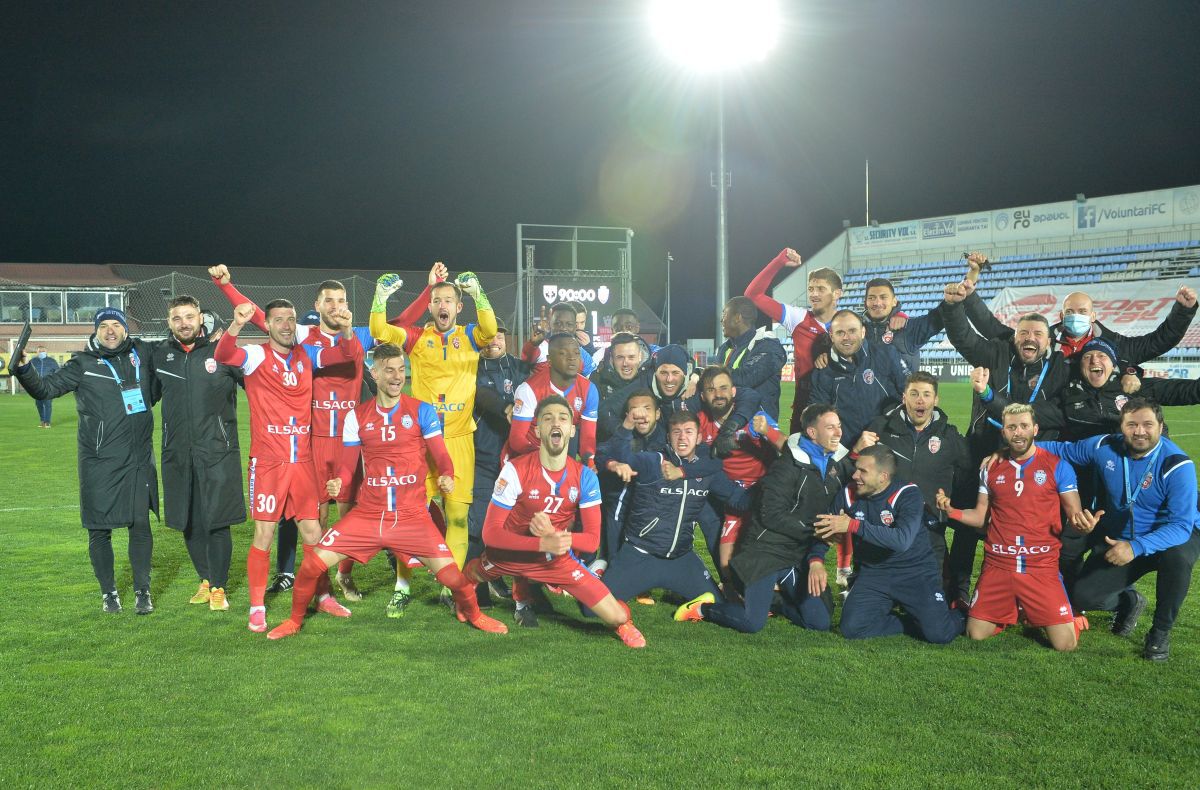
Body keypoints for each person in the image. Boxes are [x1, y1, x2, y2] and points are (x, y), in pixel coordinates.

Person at [266, 343, 507, 638]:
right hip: (369, 515)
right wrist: (339, 481)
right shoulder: (357, 416)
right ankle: (294, 621)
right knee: (311, 566)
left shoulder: (421, 411)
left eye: (401, 369)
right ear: (375, 373)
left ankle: (475, 615)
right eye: (389, 370)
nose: (396, 376)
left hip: (412, 517)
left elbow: (442, 457)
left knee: (455, 580)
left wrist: (446, 475)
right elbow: (346, 465)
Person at [209, 265, 379, 599]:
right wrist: (226, 286)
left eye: (340, 300)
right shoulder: (297, 337)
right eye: (328, 300)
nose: (334, 305)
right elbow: (260, 316)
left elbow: (359, 348)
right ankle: (284, 580)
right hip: (308, 442)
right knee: (306, 518)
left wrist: (364, 317)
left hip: (345, 441)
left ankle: (335, 581)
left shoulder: (336, 342)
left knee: (341, 515)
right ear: (317, 305)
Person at [464, 395, 647, 647]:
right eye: (547, 419)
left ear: (572, 430)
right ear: (538, 430)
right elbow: (491, 534)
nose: (555, 423)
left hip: (554, 560)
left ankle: (528, 589)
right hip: (510, 555)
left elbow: (592, 542)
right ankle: (477, 599)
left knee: (617, 616)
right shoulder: (515, 470)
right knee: (471, 575)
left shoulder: (584, 477)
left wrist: (556, 539)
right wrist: (542, 543)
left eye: (563, 418)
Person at [13, 308, 158, 614]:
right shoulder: (82, 363)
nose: (109, 330)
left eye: (115, 324)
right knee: (98, 529)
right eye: (103, 325)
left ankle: (143, 592)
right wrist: (25, 368)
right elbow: (45, 389)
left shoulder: (142, 354)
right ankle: (109, 593)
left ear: (125, 329)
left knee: (140, 524)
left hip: (137, 459)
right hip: (98, 460)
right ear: (95, 331)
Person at [369, 266, 497, 612]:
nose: (442, 305)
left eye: (449, 300)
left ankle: (449, 585)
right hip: (419, 443)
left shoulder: (471, 336)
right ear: (429, 306)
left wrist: (478, 292)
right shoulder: (415, 338)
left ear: (458, 307)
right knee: (408, 516)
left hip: (458, 441)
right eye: (437, 299)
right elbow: (378, 330)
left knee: (456, 518)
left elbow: (489, 328)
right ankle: (402, 586)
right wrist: (380, 297)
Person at [1037, 398, 1200, 661]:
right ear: (1121, 426)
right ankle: (1128, 601)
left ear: (1160, 426)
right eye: (1131, 424)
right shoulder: (1104, 446)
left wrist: (1136, 547)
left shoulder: (1177, 465)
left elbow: (1181, 525)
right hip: (1122, 536)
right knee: (1084, 597)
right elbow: (1060, 450)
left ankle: (1159, 633)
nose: (1139, 431)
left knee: (1178, 559)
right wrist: (1013, 449)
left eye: (1148, 424)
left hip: (1173, 536)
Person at [941, 280, 1071, 605]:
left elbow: (1037, 415)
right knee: (970, 527)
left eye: (1037, 335)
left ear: (1049, 342)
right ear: (1015, 337)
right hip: (981, 452)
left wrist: (988, 395)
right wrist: (955, 307)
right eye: (1024, 333)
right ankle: (958, 589)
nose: (1030, 339)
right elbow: (963, 337)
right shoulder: (996, 353)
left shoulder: (1058, 371)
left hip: (1028, 462)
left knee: (1019, 528)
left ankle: (1023, 594)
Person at [674, 404, 853, 633]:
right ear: (812, 432)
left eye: (838, 426)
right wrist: (814, 531)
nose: (838, 432)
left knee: (818, 622)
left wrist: (815, 556)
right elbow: (771, 515)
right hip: (764, 552)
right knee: (752, 623)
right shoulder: (786, 467)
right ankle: (703, 609)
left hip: (794, 554)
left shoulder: (831, 465)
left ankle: (774, 601)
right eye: (830, 427)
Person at [935, 404, 1086, 652]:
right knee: (976, 634)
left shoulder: (1058, 466)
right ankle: (1014, 609)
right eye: (1011, 427)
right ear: (1003, 432)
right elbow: (981, 517)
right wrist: (952, 511)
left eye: (1024, 426)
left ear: (1035, 429)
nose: (1018, 432)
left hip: (1040, 566)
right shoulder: (991, 467)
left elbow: (1075, 514)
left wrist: (1083, 525)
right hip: (999, 564)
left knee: (1065, 645)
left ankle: (1062, 614)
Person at [148, 296, 245, 612]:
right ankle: (205, 580)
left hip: (217, 451)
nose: (184, 323)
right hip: (177, 453)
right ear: (169, 322)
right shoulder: (161, 356)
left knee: (218, 520)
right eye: (177, 318)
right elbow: (145, 397)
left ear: (201, 318)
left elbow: (259, 386)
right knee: (188, 520)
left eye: (189, 316)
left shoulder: (222, 353)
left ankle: (219, 586)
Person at [597, 410, 750, 608]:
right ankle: (602, 572)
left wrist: (768, 492)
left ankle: (685, 599)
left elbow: (737, 499)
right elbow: (621, 455)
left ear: (699, 438)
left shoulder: (706, 471)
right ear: (668, 437)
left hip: (681, 558)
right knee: (591, 609)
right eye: (676, 432)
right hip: (640, 554)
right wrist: (627, 425)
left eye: (688, 431)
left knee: (716, 604)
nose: (683, 437)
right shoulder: (654, 462)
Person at [812, 445, 963, 643]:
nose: (855, 475)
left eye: (863, 471)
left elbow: (902, 540)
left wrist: (852, 525)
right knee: (852, 628)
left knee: (939, 635)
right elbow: (824, 529)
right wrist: (816, 561)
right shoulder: (848, 495)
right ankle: (911, 623)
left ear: (883, 476)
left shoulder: (907, 494)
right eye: (856, 468)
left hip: (915, 572)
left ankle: (962, 614)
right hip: (874, 573)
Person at [864, 371, 974, 586]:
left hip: (930, 530)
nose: (920, 400)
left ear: (936, 399)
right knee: (874, 603)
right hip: (887, 526)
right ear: (904, 398)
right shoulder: (881, 429)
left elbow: (969, 473)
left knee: (932, 604)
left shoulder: (949, 436)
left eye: (926, 394)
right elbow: (859, 472)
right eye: (914, 394)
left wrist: (951, 503)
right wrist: (857, 451)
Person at [694, 366, 778, 582]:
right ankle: (732, 599)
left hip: (763, 494)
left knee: (765, 556)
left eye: (723, 388)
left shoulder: (756, 417)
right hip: (732, 498)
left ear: (734, 392)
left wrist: (768, 432)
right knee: (726, 564)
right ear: (703, 396)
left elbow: (786, 449)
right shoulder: (699, 422)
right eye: (711, 390)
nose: (718, 394)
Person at [744, 247, 842, 430]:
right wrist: (779, 262)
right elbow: (753, 295)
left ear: (837, 293)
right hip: (805, 403)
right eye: (811, 289)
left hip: (841, 401)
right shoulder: (798, 318)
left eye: (821, 289)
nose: (813, 294)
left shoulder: (849, 324)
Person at [468, 326, 528, 605]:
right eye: (489, 336)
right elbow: (480, 394)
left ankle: (498, 575)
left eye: (500, 336)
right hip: (482, 456)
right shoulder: (470, 366)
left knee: (508, 523)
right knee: (479, 521)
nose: (495, 341)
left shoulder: (520, 367)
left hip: (516, 460)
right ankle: (474, 586)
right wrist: (505, 406)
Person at [1062, 338, 1200, 439]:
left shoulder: (1135, 386)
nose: (1094, 360)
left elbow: (1187, 391)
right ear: (1080, 365)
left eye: (1102, 355)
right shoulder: (1069, 394)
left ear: (1113, 364)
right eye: (1087, 356)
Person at [809, 309, 908, 448]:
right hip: (847, 453)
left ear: (863, 332)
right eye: (840, 332)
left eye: (852, 331)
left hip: (888, 448)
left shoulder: (885, 354)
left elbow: (909, 391)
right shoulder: (822, 373)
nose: (846, 337)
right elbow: (817, 418)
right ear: (831, 335)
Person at [593, 389, 667, 569]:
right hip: (622, 495)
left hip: (656, 500)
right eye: (635, 410)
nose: (641, 415)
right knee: (616, 503)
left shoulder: (668, 437)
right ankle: (612, 565)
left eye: (647, 409)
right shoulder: (622, 434)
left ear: (657, 414)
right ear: (628, 415)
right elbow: (601, 453)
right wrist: (613, 464)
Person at [507, 333, 598, 462]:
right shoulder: (528, 389)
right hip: (528, 457)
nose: (572, 358)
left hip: (562, 457)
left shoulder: (589, 390)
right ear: (549, 360)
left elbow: (588, 438)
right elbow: (517, 439)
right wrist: (546, 457)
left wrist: (589, 462)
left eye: (576, 353)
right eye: (563, 353)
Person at [715, 295, 787, 420]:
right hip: (727, 426)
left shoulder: (768, 346)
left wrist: (706, 374)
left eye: (724, 314)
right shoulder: (724, 348)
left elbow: (746, 377)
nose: (721, 320)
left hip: (757, 431)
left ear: (738, 318)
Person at [860, 277, 945, 375]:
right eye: (871, 298)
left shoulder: (909, 328)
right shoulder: (855, 331)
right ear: (865, 303)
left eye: (883, 297)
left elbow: (938, 318)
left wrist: (950, 302)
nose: (877, 303)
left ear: (894, 301)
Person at [522, 302, 597, 376]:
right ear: (551, 323)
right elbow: (527, 358)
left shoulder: (582, 354)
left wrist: (589, 348)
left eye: (569, 324)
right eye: (558, 323)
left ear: (574, 327)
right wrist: (533, 344)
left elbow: (593, 379)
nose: (564, 328)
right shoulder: (542, 348)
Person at [29, 345, 59, 427]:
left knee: (47, 403)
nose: (42, 352)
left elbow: (58, 372)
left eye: (43, 351)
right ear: (37, 352)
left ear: (46, 352)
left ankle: (47, 422)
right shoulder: (32, 361)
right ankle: (42, 421)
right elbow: (29, 372)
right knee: (38, 404)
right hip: (36, 386)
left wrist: (54, 383)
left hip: (48, 385)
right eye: (40, 351)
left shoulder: (52, 361)